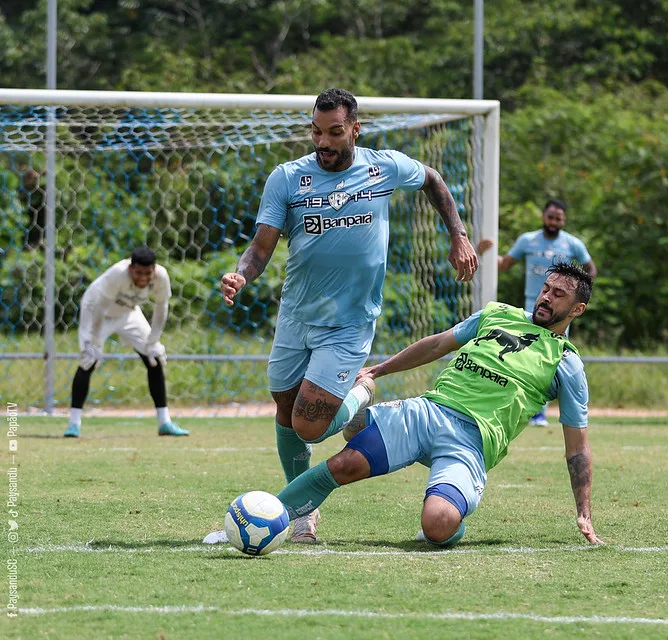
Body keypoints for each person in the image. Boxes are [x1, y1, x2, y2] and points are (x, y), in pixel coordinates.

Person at [219, 88, 478, 543]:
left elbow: (434, 181)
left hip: (350, 322)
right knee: (284, 411)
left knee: (309, 424)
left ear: (355, 129)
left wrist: (457, 236)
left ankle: (360, 391)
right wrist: (241, 276)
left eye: (335, 132)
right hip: (296, 315)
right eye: (317, 132)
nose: (324, 141)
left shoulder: (384, 166)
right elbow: (260, 249)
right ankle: (303, 515)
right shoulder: (286, 178)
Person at [205, 263, 601, 547]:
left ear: (577, 310)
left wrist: (582, 510)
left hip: (472, 444)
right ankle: (256, 520)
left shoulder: (566, 363)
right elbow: (436, 344)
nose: (546, 298)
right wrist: (379, 370)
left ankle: (450, 516)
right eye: (546, 288)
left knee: (437, 525)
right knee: (342, 464)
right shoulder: (497, 314)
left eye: (558, 294)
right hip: (429, 412)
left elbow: (577, 447)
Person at [477, 198, 596, 426]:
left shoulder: (572, 244)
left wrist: (578, 295)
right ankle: (517, 403)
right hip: (534, 306)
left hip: (559, 312)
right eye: (550, 217)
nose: (553, 222)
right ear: (544, 217)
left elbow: (591, 268)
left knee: (552, 358)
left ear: (564, 221)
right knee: (523, 354)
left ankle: (542, 412)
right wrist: (483, 253)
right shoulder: (527, 240)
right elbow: (503, 265)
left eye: (558, 218)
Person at [64, 247, 188, 438]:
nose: (143, 278)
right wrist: (95, 342)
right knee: (89, 360)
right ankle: (73, 424)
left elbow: (161, 309)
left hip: (127, 312)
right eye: (138, 272)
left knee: (153, 356)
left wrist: (153, 340)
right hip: (97, 312)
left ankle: (165, 422)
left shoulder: (161, 276)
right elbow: (100, 308)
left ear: (154, 269)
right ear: (131, 268)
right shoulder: (117, 274)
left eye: (148, 273)